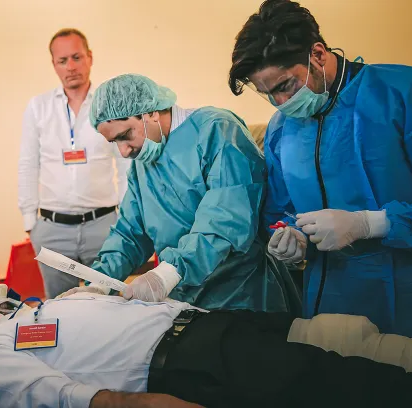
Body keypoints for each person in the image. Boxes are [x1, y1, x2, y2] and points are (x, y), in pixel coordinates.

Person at [228, 0, 412, 347]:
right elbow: (282, 211)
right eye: (267, 94)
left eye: (285, 85)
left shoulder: (405, 92)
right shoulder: (281, 130)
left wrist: (369, 224)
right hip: (332, 299)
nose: (281, 103)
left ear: (317, 54)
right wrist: (293, 238)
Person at [0, 278, 412, 408]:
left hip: (207, 324)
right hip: (187, 361)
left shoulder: (45, 306)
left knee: (344, 342)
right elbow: (61, 396)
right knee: (344, 381)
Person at [61, 73, 300, 313]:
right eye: (115, 142)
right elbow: (130, 233)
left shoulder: (216, 130)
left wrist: (169, 273)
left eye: (125, 136)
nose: (123, 151)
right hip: (182, 299)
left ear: (151, 113)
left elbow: (226, 218)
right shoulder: (144, 162)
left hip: (240, 293)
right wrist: (99, 283)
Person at [18, 28, 131, 299]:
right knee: (59, 309)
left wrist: (126, 217)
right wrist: (31, 223)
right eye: (63, 60)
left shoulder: (109, 104)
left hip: (103, 226)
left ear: (90, 57)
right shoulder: (38, 107)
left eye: (77, 57)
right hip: (52, 230)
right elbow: (28, 164)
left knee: (109, 305)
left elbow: (125, 161)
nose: (71, 67)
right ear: (54, 64)